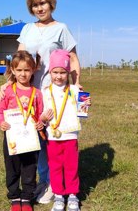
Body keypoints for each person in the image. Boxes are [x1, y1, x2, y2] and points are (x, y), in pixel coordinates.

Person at [0, 0, 82, 204]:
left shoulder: (61, 28)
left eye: (43, 3)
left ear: (51, 3)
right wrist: (8, 83)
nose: (39, 8)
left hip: (53, 93)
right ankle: (43, 181)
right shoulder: (27, 29)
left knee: (50, 139)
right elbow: (19, 59)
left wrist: (76, 86)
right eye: (35, 5)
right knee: (34, 139)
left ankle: (54, 186)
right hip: (28, 93)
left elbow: (72, 58)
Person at [40, 49, 91, 211]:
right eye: (55, 72)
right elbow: (40, 113)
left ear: (68, 72)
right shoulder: (45, 92)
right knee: (54, 167)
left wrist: (85, 104)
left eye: (63, 72)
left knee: (71, 166)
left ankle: (73, 195)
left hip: (70, 136)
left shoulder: (75, 90)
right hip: (52, 137)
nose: (59, 76)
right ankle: (59, 196)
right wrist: (43, 119)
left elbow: (82, 112)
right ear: (50, 72)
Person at [0, 51, 44, 211]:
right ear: (13, 71)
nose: (23, 74)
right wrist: (2, 122)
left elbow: (40, 115)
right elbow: (0, 111)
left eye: (26, 70)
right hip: (12, 138)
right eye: (19, 70)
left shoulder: (37, 93)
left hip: (31, 138)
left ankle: (27, 197)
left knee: (30, 168)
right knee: (12, 167)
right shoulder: (8, 91)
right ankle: (14, 196)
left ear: (33, 70)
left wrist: (40, 123)